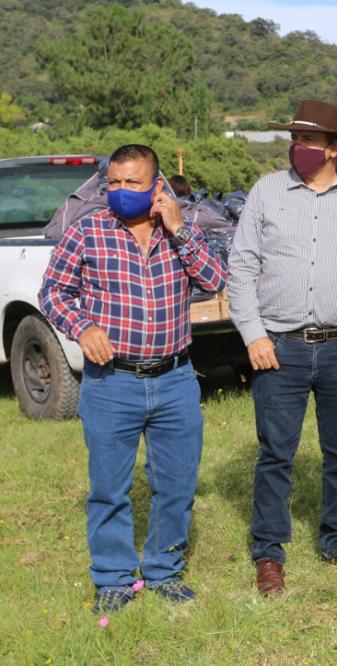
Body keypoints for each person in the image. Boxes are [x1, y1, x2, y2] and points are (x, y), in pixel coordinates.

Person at [39, 144, 227, 613]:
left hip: (174, 380)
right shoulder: (88, 231)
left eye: (133, 183)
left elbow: (216, 279)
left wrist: (180, 229)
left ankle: (163, 570)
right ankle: (114, 577)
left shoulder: (182, 231)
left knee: (177, 483)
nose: (121, 192)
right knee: (108, 487)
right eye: (114, 184)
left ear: (157, 186)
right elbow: (53, 292)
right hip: (111, 383)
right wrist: (83, 327)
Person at [228, 100, 337, 595]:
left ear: (331, 149)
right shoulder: (267, 192)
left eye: (307, 140)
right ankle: (268, 553)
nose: (297, 147)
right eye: (294, 139)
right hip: (279, 349)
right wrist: (254, 335)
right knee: (275, 455)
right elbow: (240, 268)